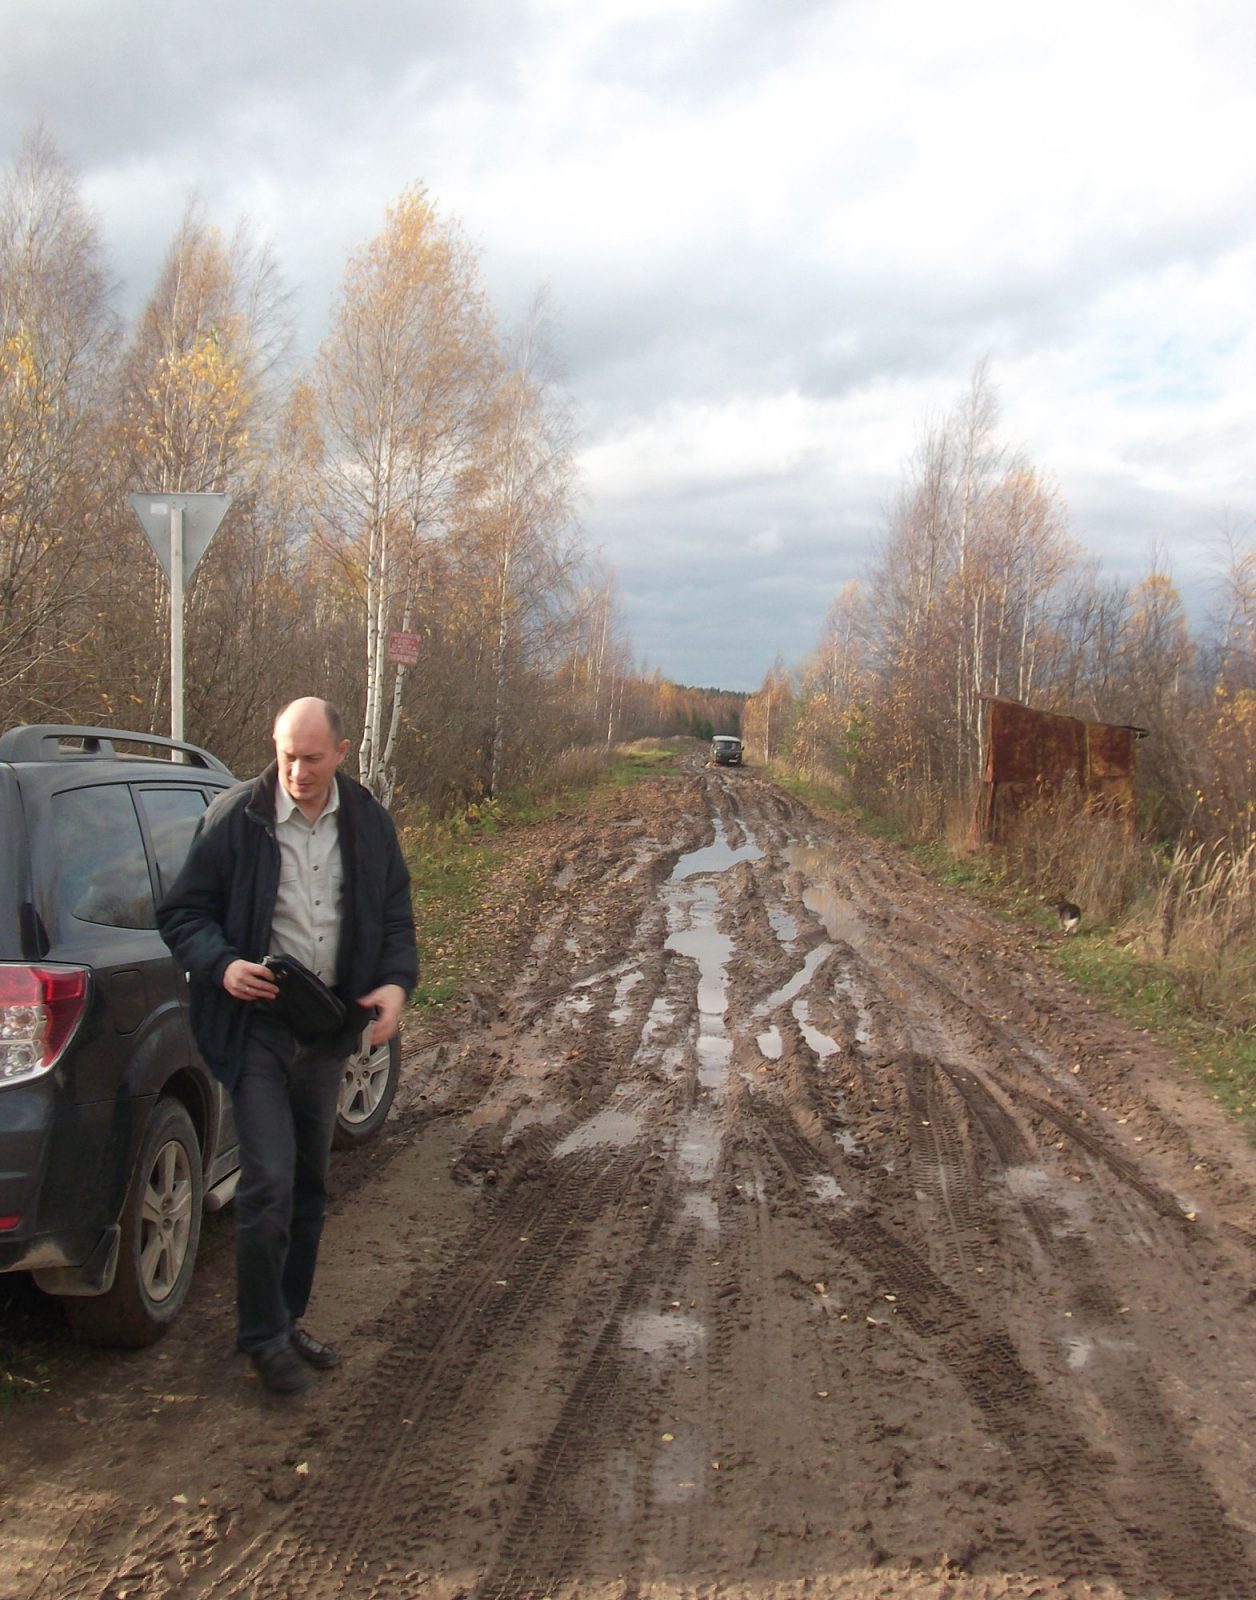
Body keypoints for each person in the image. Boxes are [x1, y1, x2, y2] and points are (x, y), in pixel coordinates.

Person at [158, 697, 418, 1394]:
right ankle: (262, 1336)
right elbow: (183, 911)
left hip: (328, 1026)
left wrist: (394, 986)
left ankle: (286, 1317)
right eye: (285, 757)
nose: (296, 772)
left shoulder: (366, 822)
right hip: (259, 1028)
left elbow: (394, 913)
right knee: (268, 1179)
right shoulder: (236, 818)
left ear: (340, 751)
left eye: (310, 757)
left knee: (309, 1182)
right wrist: (221, 964)